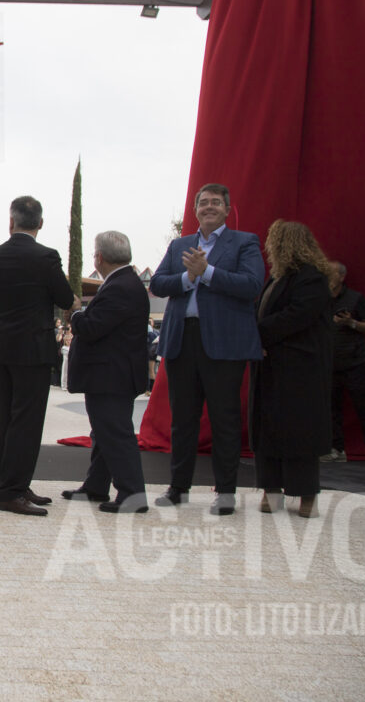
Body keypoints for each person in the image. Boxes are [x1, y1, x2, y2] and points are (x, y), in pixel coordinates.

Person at [149, 183, 264, 516]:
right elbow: (157, 284)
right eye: (203, 203)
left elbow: (252, 285)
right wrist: (187, 278)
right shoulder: (180, 245)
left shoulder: (245, 243)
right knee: (182, 419)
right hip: (182, 340)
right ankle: (178, 488)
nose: (209, 207)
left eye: (216, 202)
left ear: (227, 209)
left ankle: (225, 492)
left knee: (224, 419)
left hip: (224, 345)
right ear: (195, 210)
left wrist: (208, 272)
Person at [0, 196, 78, 517]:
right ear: (40, 224)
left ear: (11, 222)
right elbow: (65, 298)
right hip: (34, 349)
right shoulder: (46, 257)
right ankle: (11, 490)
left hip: (3, 346)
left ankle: (13, 484)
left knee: (7, 419)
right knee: (28, 421)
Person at [250, 220, 335, 518]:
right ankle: (271, 490)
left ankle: (306, 494)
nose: (268, 248)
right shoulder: (276, 279)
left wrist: (256, 333)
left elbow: (296, 316)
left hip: (300, 369)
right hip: (272, 365)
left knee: (300, 430)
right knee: (267, 428)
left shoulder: (311, 278)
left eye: (273, 242)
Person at [63, 232, 150, 513]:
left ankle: (132, 494)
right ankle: (96, 485)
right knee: (104, 432)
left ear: (99, 257)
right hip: (114, 374)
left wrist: (77, 312)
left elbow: (91, 327)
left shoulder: (119, 287)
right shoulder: (125, 283)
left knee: (115, 433)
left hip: (111, 376)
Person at [324, 262, 365, 467]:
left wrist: (351, 323)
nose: (327, 277)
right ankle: (337, 449)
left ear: (341, 277)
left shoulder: (355, 299)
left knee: (364, 406)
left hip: (355, 363)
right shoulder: (320, 299)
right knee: (331, 407)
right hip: (330, 363)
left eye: (331, 273)